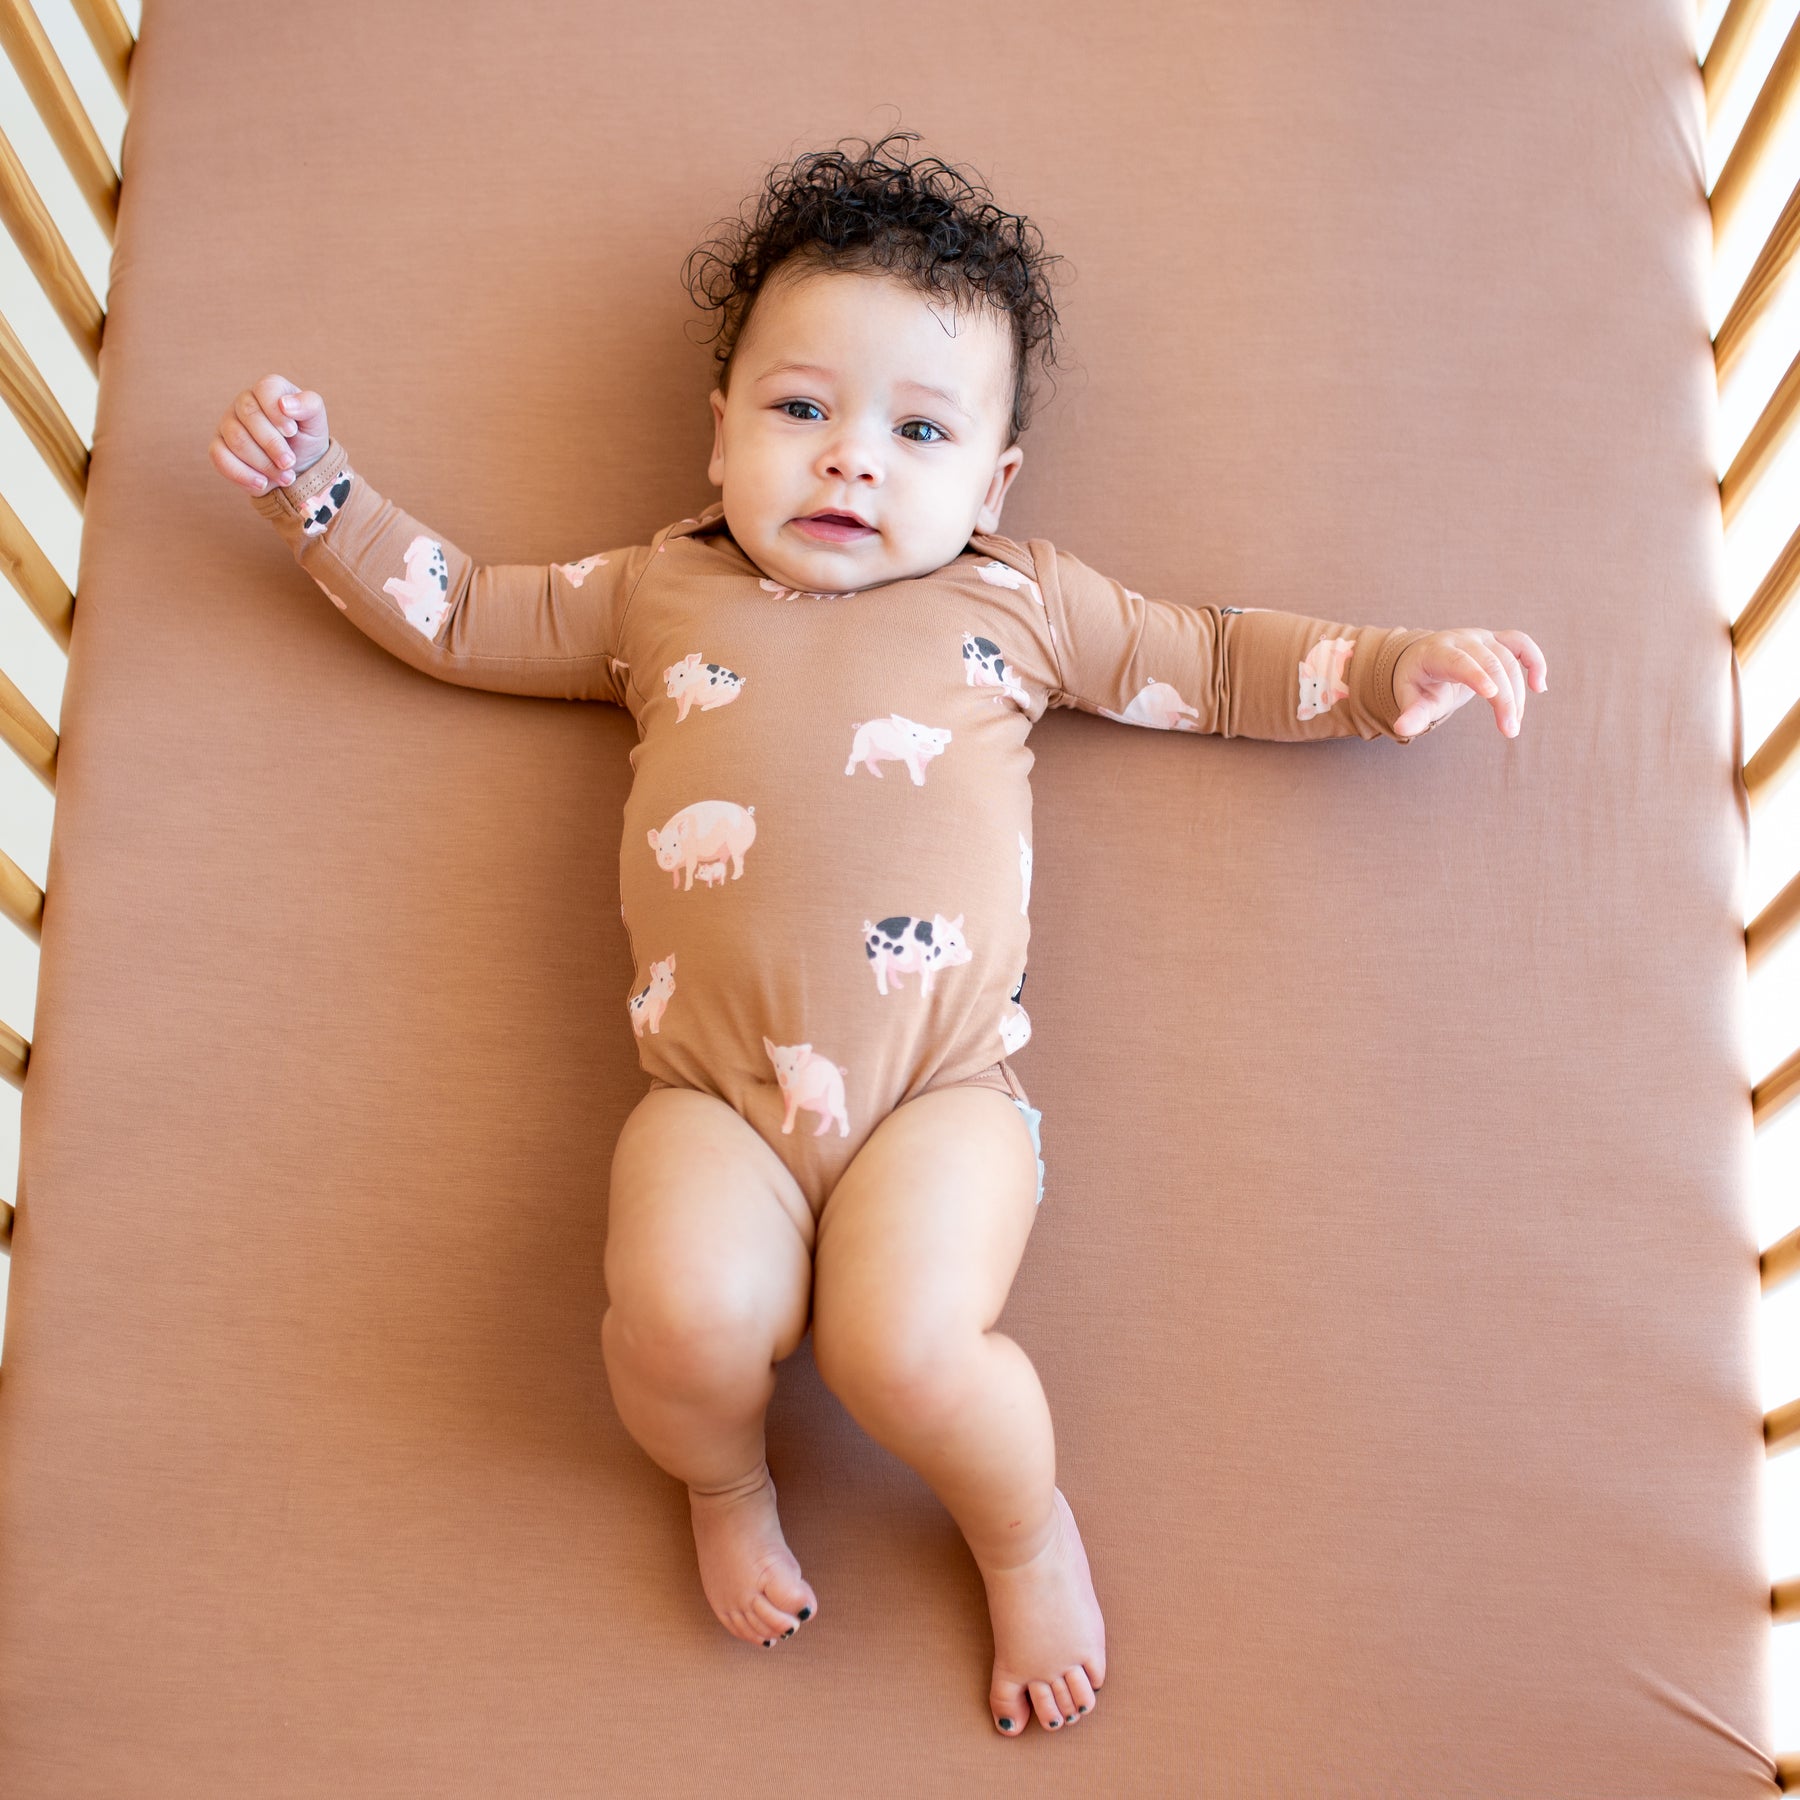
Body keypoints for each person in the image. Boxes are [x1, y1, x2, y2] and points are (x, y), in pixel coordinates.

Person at [209, 129, 1547, 1739]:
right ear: (719, 440)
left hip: (943, 1095)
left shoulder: (1022, 598)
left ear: (988, 485)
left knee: (908, 1349)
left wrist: (1391, 672)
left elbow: (1216, 657)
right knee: (676, 1316)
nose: (851, 462)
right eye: (800, 411)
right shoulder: (655, 595)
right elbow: (466, 612)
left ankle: (1021, 1529)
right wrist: (321, 494)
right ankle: (719, 1480)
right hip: (712, 1098)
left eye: (917, 431)